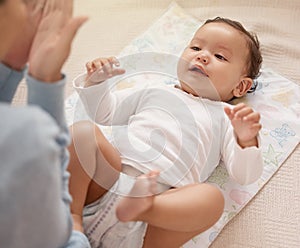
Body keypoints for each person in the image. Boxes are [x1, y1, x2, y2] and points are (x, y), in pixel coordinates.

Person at [68, 17, 263, 248]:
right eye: (196, 47)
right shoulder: (154, 91)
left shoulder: (228, 116)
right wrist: (97, 83)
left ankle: (146, 207)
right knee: (82, 133)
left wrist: (246, 140)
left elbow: (245, 175)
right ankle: (72, 221)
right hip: (107, 184)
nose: (202, 56)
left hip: (157, 216)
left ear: (240, 87)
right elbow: (106, 114)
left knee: (211, 200)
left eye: (220, 56)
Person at [0, 0, 89, 247]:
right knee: (84, 134)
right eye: (195, 46)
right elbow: (57, 237)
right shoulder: (26, 134)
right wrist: (45, 80)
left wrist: (10, 63)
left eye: (210, 54)